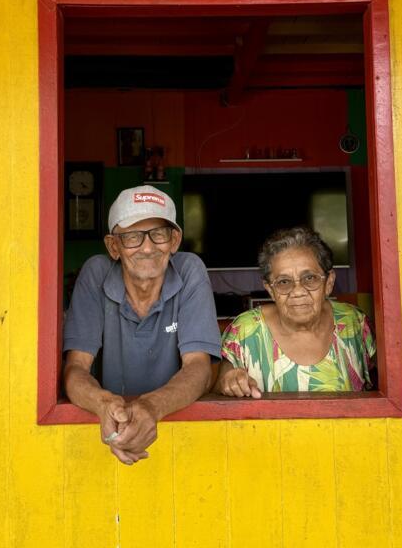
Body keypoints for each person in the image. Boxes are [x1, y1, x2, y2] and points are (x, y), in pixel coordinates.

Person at [63, 185, 221, 465]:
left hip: (183, 434)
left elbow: (199, 368)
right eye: (132, 237)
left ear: (174, 241)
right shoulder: (95, 274)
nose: (148, 248)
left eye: (158, 234)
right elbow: (75, 368)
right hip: (110, 435)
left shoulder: (189, 269)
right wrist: (105, 405)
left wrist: (151, 407)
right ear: (114, 246)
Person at [217, 226, 376, 396]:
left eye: (310, 278)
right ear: (270, 289)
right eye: (284, 282)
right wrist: (230, 381)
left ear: (329, 283)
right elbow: (221, 387)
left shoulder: (355, 323)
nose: (298, 291)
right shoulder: (245, 330)